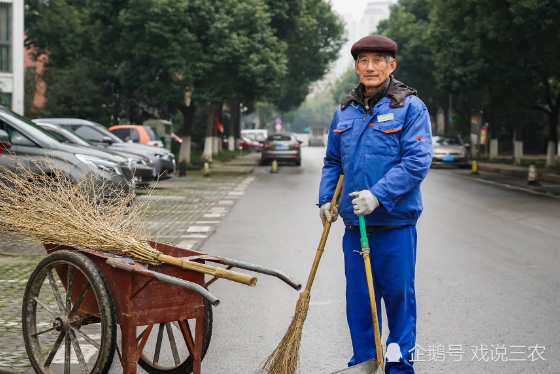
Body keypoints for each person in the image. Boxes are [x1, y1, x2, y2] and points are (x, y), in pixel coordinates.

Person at [318, 35, 433, 373]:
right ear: (356, 66)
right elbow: (332, 162)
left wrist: (378, 194)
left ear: (391, 65)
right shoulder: (344, 111)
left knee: (398, 303)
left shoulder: (410, 107)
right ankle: (364, 367)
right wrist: (327, 199)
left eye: (377, 60)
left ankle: (398, 369)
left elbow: (417, 161)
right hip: (355, 228)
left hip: (395, 226)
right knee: (360, 306)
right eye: (363, 61)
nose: (369, 67)